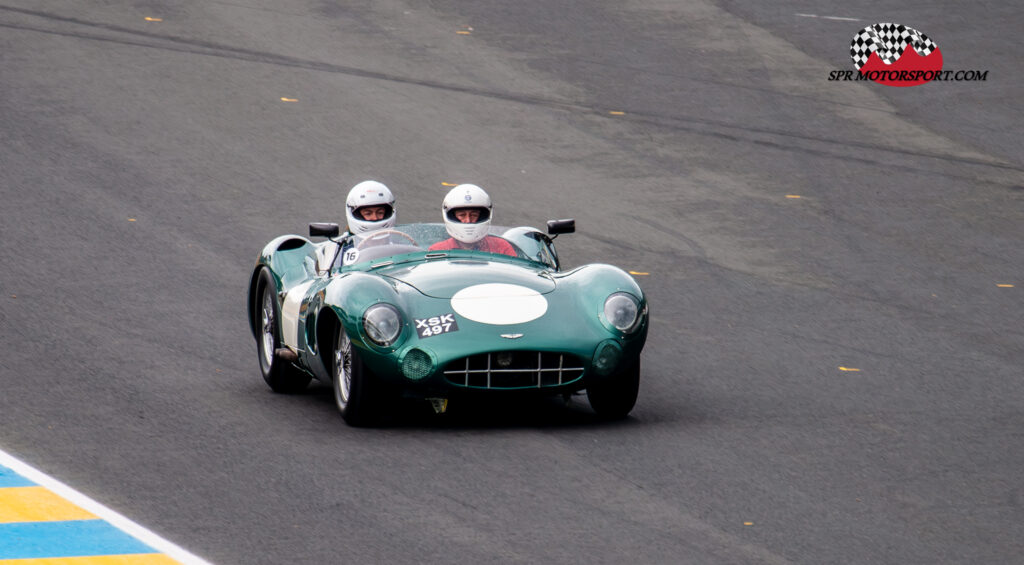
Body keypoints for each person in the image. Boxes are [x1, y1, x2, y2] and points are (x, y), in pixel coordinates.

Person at [428, 184, 517, 257]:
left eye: (474, 215)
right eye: (462, 215)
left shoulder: (501, 247)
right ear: (452, 216)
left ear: (482, 216)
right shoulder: (437, 250)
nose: (468, 220)